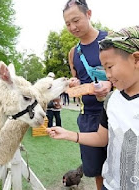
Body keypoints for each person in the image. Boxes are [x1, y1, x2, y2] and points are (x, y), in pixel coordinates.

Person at [47, 25, 139, 190]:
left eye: (109, 67)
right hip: (111, 186)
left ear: (136, 59)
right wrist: (68, 134)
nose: (107, 75)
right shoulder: (111, 100)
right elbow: (101, 138)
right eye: (104, 69)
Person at [62, 1, 112, 189]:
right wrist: (73, 84)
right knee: (97, 170)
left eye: (76, 20)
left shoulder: (110, 40)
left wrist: (110, 83)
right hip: (88, 118)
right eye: (68, 24)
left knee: (121, 166)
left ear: (88, 14)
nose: (72, 27)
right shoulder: (73, 52)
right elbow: (77, 81)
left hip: (114, 112)